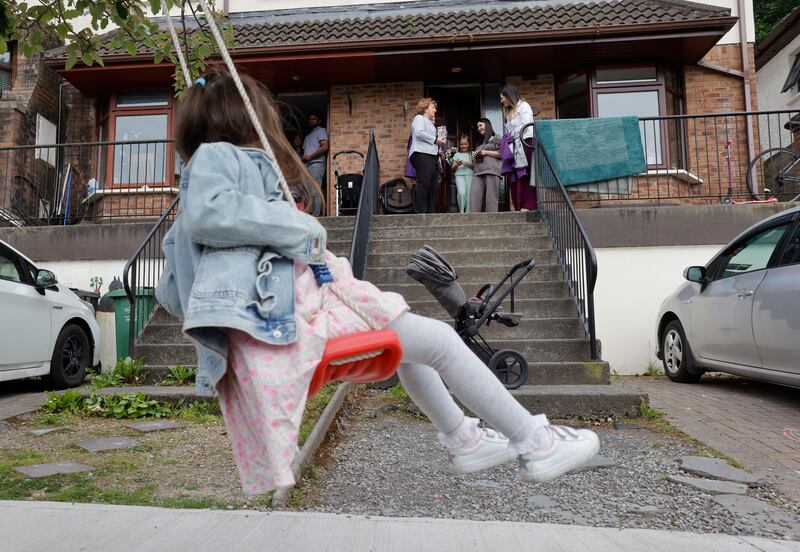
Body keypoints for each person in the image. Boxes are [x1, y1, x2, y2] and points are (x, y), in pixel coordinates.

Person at [156, 66, 599, 497]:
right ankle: (535, 444)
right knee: (442, 342)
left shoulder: (197, 187)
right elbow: (214, 214)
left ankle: (463, 438)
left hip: (286, 327)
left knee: (417, 347)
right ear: (245, 117)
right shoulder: (220, 158)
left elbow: (175, 295)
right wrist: (297, 230)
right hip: (290, 326)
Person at [500, 84, 539, 211]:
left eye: (502, 98)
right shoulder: (508, 113)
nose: (501, 101)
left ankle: (529, 205)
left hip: (525, 142)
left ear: (508, 96)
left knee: (525, 174)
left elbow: (527, 125)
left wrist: (513, 136)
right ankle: (519, 205)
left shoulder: (524, 106)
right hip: (513, 147)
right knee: (514, 177)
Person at [409, 98, 445, 213]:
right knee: (424, 184)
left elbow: (431, 142)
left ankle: (430, 212)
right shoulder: (419, 118)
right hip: (422, 154)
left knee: (433, 186)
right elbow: (419, 133)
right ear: (425, 108)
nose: (435, 109)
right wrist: (436, 140)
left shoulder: (431, 124)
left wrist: (438, 150)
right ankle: (420, 213)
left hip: (432, 157)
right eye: (433, 107)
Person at [471, 118, 503, 213]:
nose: (479, 128)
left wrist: (485, 152)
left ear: (487, 125)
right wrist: (474, 156)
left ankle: (491, 222)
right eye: (478, 127)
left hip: (492, 170)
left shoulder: (496, 137)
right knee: (474, 197)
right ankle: (474, 221)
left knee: (491, 198)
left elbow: (501, 153)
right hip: (478, 172)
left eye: (481, 125)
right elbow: (475, 161)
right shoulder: (479, 142)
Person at [302, 112, 328, 216]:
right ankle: (310, 215)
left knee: (315, 190)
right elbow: (305, 153)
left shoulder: (321, 130)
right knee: (307, 192)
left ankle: (317, 216)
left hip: (316, 164)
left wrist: (311, 156)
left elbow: (325, 146)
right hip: (307, 166)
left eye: (314, 119)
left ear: (319, 121)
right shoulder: (307, 136)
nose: (311, 121)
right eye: (310, 119)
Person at [451, 135, 474, 213]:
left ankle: (468, 212)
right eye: (461, 144)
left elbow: (475, 167)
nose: (463, 146)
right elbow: (452, 169)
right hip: (459, 176)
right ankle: (461, 211)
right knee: (461, 193)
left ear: (469, 144)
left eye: (465, 144)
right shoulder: (457, 155)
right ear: (459, 144)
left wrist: (467, 164)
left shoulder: (472, 154)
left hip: (470, 175)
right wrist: (458, 164)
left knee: (469, 195)